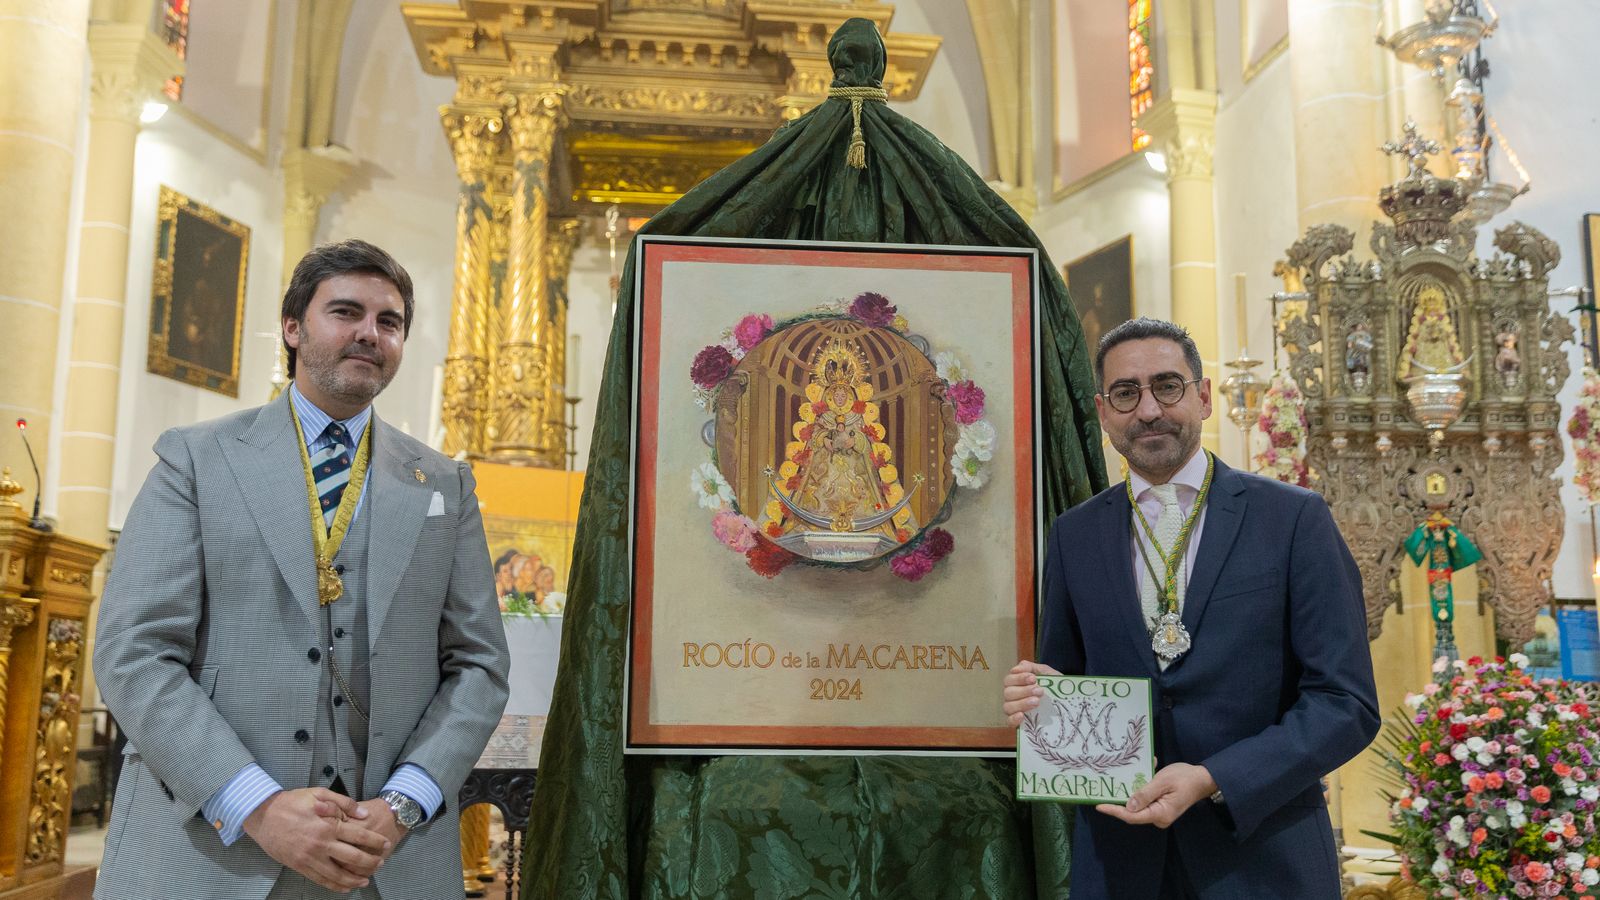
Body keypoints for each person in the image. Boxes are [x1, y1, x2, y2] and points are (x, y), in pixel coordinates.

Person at [93, 239, 511, 899]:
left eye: (390, 322)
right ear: (293, 328)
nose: (370, 334)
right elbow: (134, 653)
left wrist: (402, 804)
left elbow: (480, 667)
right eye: (345, 312)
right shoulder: (197, 461)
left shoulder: (445, 485)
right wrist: (256, 804)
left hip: (383, 860)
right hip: (209, 849)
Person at [1002, 317, 1378, 900]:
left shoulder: (1293, 520)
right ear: (1104, 413)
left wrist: (1213, 779)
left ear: (1203, 397)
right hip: (1121, 864)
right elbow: (1070, 680)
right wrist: (1041, 700)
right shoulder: (1074, 535)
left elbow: (1345, 702)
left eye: (1167, 386)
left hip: (1263, 858)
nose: (1148, 409)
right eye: (1126, 394)